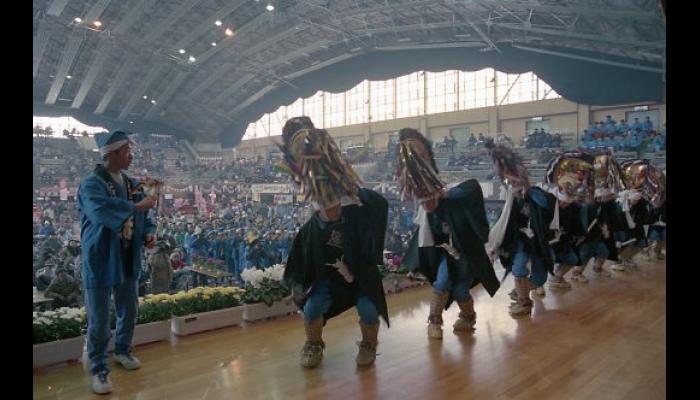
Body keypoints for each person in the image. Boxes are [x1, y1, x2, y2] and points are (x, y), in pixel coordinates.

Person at [281, 116, 389, 368]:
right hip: (329, 281)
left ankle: (369, 344)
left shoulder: (357, 211)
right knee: (311, 309)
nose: (333, 213)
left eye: (336, 208)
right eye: (328, 211)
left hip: (360, 276)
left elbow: (380, 204)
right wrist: (297, 286)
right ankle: (314, 344)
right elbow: (298, 262)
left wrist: (357, 192)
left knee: (369, 310)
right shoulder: (312, 228)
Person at [77, 130, 158, 394]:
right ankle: (99, 368)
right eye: (126, 152)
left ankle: (123, 350)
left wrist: (148, 232)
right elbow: (101, 213)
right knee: (99, 319)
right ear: (111, 155)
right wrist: (137, 208)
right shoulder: (91, 184)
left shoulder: (131, 182)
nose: (131, 156)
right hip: (101, 256)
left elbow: (145, 216)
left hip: (127, 255)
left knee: (129, 309)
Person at [398, 128, 499, 339]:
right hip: (446, 254)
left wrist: (447, 194)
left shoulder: (451, 193)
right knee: (443, 283)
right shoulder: (425, 213)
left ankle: (468, 316)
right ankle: (435, 321)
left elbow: (471, 187)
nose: (427, 204)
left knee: (461, 291)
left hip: (465, 253)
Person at [485, 140, 556, 316]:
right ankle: (525, 302)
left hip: (537, 241)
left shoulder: (536, 194)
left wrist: (527, 189)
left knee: (540, 277)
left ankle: (521, 292)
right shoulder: (510, 199)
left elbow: (548, 204)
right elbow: (504, 224)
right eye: (506, 177)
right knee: (518, 268)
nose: (509, 180)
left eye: (512, 176)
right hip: (520, 242)